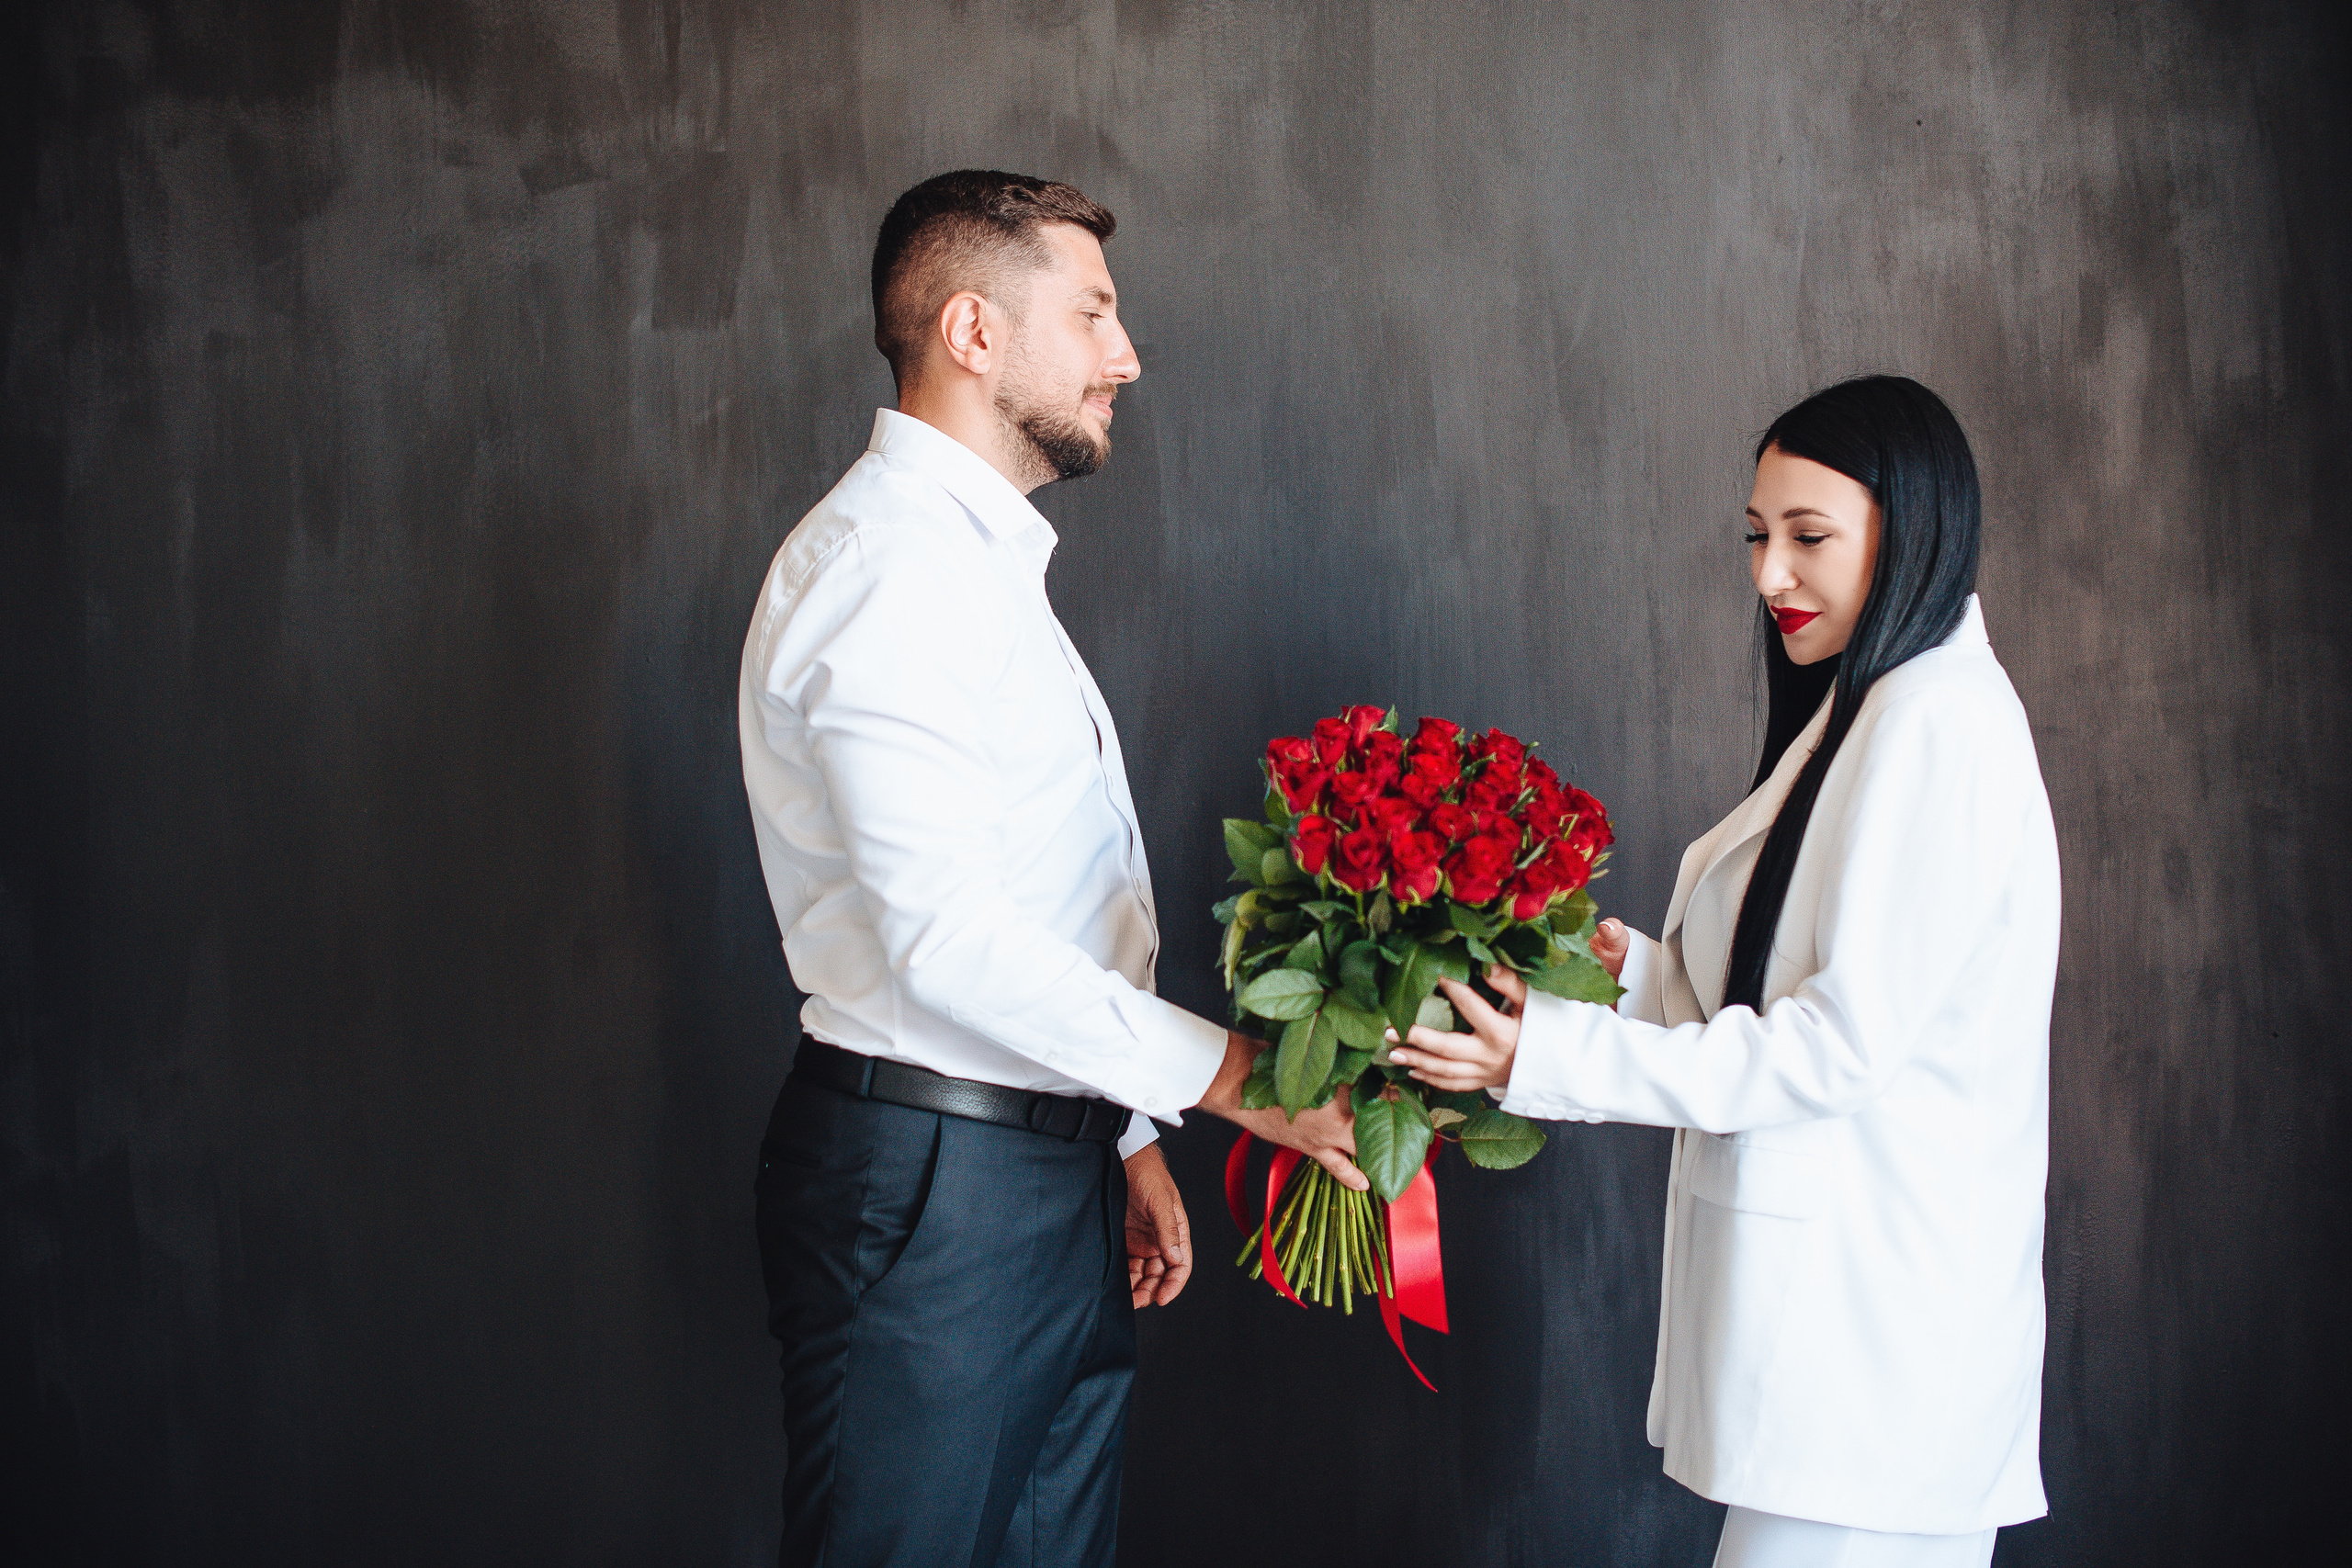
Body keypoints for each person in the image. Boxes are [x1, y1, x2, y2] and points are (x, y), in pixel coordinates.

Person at [736, 170, 1363, 1568]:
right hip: (933, 1197)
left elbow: (1037, 896)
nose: (1125, 356)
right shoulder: (889, 571)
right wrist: (1237, 1083)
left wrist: (1120, 1136)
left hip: (1034, 1176)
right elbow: (948, 942)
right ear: (973, 331)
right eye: (1093, 314)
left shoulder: (974, 567)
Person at [1390, 376, 2057, 1567]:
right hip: (1847, 1373)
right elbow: (1806, 990)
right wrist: (1633, 979)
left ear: (1913, 527)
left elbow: (1839, 1050)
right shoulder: (1876, 705)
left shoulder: (1937, 722)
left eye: (1809, 537)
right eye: (1757, 536)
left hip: (1879, 1361)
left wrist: (1553, 1052)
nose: (1770, 576)